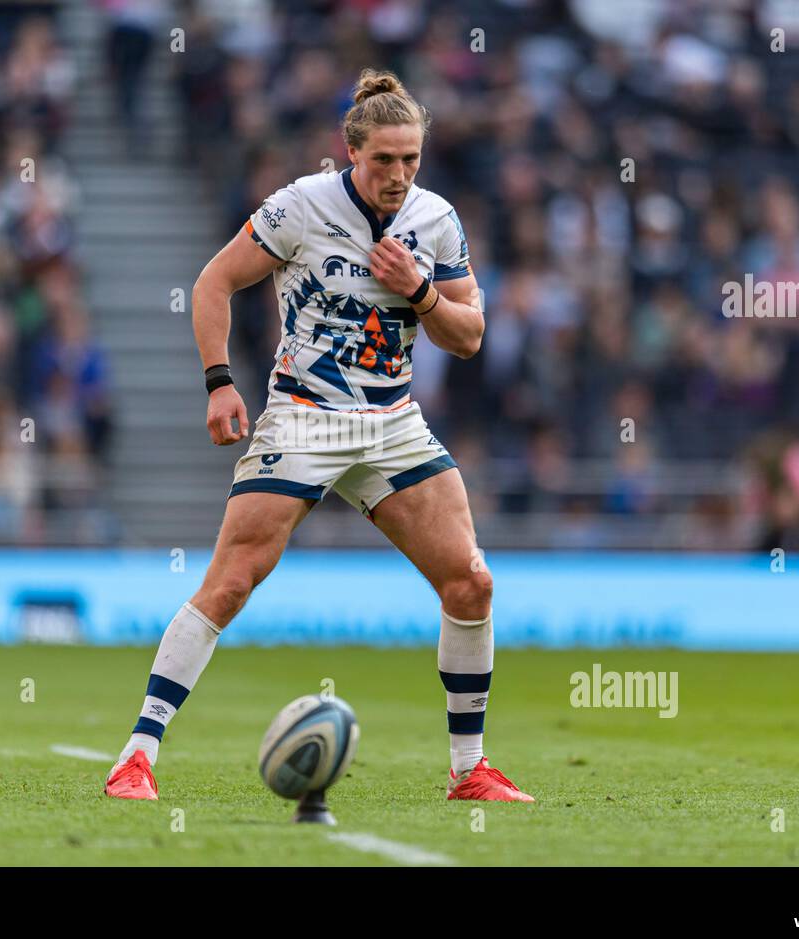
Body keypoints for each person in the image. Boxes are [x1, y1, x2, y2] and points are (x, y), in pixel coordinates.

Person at [105, 70, 533, 803]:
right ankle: (136, 756)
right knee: (231, 582)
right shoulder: (298, 207)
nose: (399, 176)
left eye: (411, 160)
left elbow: (468, 336)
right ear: (350, 152)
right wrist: (218, 382)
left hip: (392, 422)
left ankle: (469, 771)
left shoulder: (436, 221)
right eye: (384, 161)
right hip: (303, 417)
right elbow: (213, 283)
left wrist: (420, 290)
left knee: (472, 581)